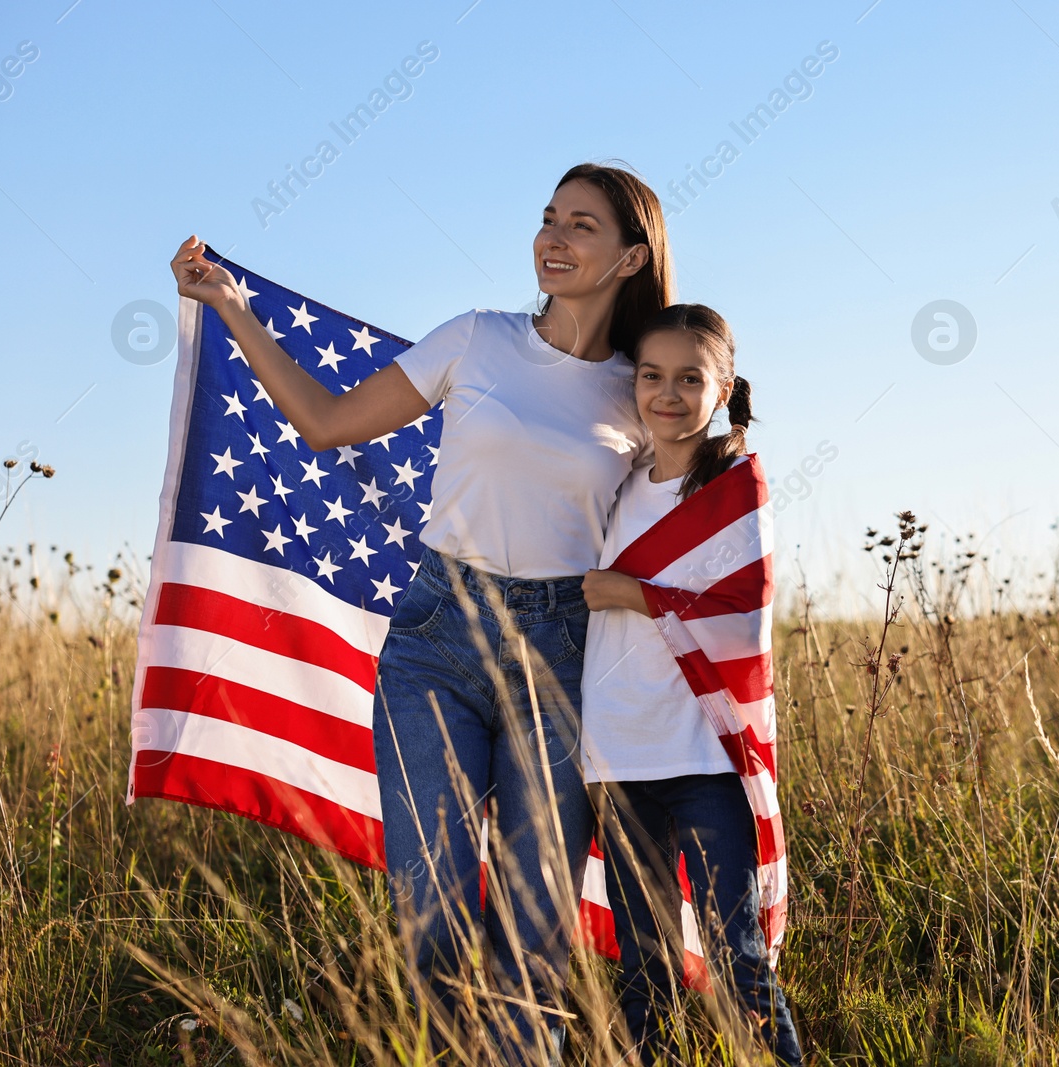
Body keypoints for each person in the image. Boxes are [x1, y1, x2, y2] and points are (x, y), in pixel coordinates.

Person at [169, 162, 674, 1061]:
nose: (553, 238)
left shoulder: (642, 390)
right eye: (548, 217)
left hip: (560, 658)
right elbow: (326, 422)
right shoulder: (477, 338)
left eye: (582, 226)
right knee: (433, 907)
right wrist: (229, 306)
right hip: (436, 643)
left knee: (535, 927)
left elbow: (685, 523)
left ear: (633, 257)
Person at [580, 304, 803, 1065]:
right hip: (619, 753)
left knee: (736, 954)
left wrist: (635, 594)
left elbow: (744, 614)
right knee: (643, 963)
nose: (667, 394)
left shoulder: (733, 480)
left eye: (689, 379)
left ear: (724, 387)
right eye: (651, 376)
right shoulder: (615, 480)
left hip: (704, 756)